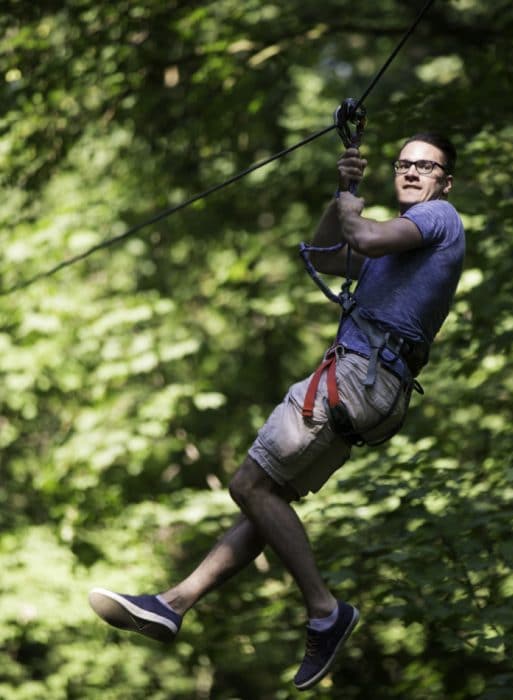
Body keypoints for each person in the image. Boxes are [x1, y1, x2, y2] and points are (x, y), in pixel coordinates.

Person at [88, 132, 465, 691]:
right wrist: (340, 193)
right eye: (403, 164)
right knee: (268, 501)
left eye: (425, 166)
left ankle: (324, 611)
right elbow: (325, 254)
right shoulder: (402, 245)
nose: (411, 172)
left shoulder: (438, 218)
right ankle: (175, 603)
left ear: (444, 180)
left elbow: (362, 232)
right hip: (371, 388)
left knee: (250, 486)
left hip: (358, 377)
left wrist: (353, 207)